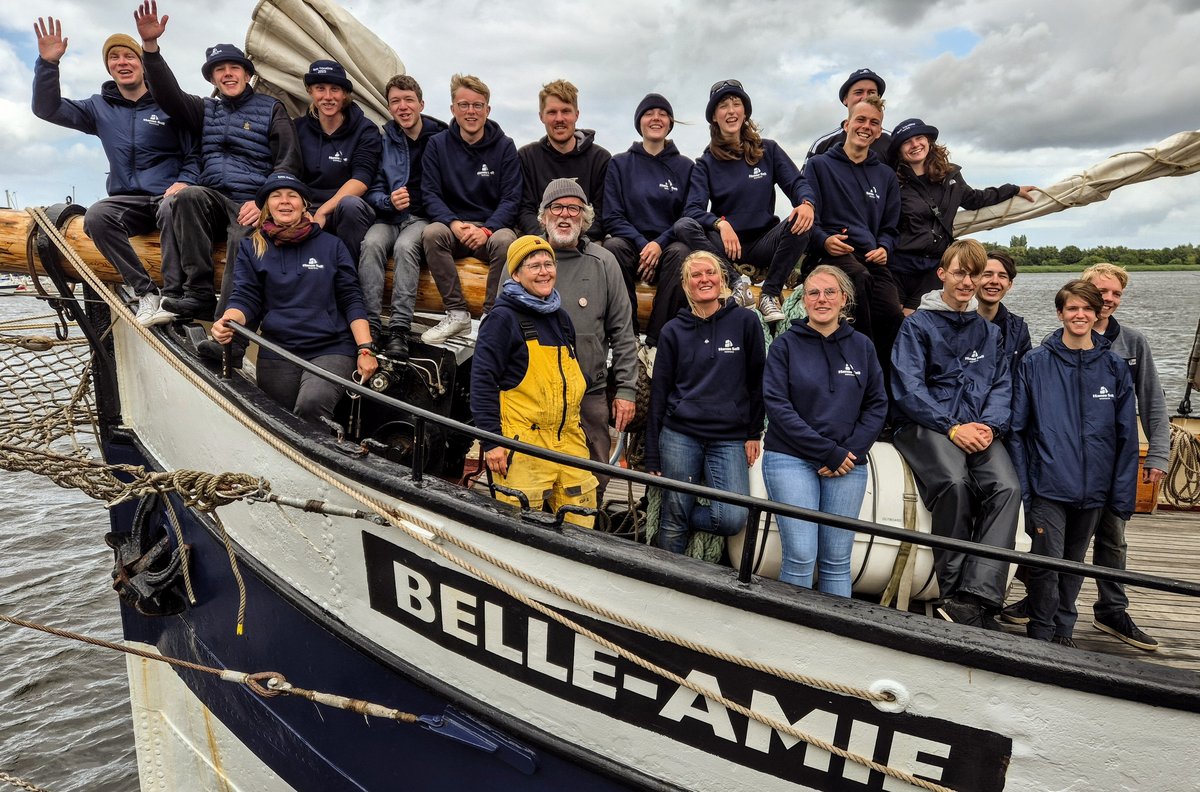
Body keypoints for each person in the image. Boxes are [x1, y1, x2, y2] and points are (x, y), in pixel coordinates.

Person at [134, 2, 300, 332]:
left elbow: (288, 160)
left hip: (251, 199)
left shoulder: (271, 109)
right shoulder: (205, 110)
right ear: (212, 77)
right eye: (219, 69)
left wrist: (265, 200)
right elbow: (168, 96)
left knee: (243, 239)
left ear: (247, 74)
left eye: (234, 67)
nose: (227, 73)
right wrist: (150, 49)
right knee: (188, 196)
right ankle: (198, 293)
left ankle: (226, 323)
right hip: (213, 196)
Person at [890, 238, 1021, 628]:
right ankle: (951, 588)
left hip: (978, 428)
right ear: (943, 274)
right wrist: (952, 427)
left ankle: (977, 597)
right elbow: (908, 388)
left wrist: (989, 427)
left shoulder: (989, 333)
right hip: (925, 424)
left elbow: (1001, 385)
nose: (967, 282)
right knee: (954, 482)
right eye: (960, 273)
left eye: (974, 275)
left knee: (1008, 487)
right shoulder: (917, 325)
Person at [32, 17, 191, 326]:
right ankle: (146, 294)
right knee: (97, 216)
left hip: (167, 195)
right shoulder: (98, 107)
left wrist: (186, 180)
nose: (122, 62)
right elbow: (46, 109)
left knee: (177, 206)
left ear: (143, 64)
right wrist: (48, 65)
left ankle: (174, 296)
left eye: (129, 55)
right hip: (127, 201)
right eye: (114, 58)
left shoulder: (168, 103)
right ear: (109, 68)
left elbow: (195, 150)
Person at [1009, 280, 1137, 647]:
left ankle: (1063, 632)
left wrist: (1121, 496)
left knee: (1075, 564)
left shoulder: (1113, 368)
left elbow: (1127, 436)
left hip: (1094, 489)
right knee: (1047, 564)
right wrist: (1025, 490)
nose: (1079, 315)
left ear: (1097, 314)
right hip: (1048, 484)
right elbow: (1018, 430)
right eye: (1072, 309)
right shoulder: (1035, 363)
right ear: (1060, 314)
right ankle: (1041, 633)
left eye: (1086, 309)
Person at [210, 173, 376, 424]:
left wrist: (365, 348)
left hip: (331, 347)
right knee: (278, 421)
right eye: (276, 196)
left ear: (304, 205)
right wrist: (227, 321)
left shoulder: (332, 245)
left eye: (292, 196)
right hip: (278, 350)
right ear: (267, 205)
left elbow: (351, 298)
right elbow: (246, 296)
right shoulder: (252, 247)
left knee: (311, 405)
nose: (284, 201)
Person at [762, 265, 888, 595]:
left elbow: (877, 404)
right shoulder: (784, 346)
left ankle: (833, 637)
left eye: (830, 292)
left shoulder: (862, 346)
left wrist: (851, 452)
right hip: (790, 458)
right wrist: (827, 451)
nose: (822, 299)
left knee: (835, 560)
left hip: (847, 460)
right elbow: (777, 407)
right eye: (813, 293)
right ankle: (791, 634)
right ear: (803, 301)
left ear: (844, 299)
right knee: (802, 556)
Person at [515, 179, 638, 498]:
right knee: (531, 484)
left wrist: (626, 388)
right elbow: (501, 323)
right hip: (532, 399)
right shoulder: (524, 257)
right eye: (557, 207)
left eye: (574, 208)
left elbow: (623, 331)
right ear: (543, 216)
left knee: (591, 486)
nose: (565, 215)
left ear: (585, 218)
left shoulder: (603, 262)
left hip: (589, 395)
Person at [471, 235, 597, 528]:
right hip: (522, 444)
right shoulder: (501, 319)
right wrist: (492, 442)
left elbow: (569, 371)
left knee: (583, 526)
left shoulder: (561, 318)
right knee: (519, 528)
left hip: (569, 441)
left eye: (548, 264)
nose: (544, 271)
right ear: (516, 274)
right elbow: (482, 381)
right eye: (534, 266)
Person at [644, 251, 765, 554]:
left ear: (722, 279)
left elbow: (757, 382)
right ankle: (665, 581)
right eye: (695, 275)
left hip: (728, 437)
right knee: (674, 516)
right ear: (686, 285)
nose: (704, 279)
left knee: (732, 517)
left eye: (710, 273)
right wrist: (651, 454)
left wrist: (753, 432)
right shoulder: (673, 330)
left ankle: (679, 516)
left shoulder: (746, 322)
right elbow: (659, 393)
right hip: (680, 434)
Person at [674, 79, 815, 323]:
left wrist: (806, 203)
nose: (731, 111)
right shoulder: (705, 163)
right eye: (723, 106)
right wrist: (720, 223)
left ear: (745, 112)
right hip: (726, 248)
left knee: (801, 220)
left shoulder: (768, 150)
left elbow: (797, 184)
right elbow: (693, 210)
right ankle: (738, 284)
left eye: (736, 104)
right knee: (683, 226)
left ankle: (769, 294)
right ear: (714, 117)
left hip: (763, 242)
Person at [1082, 262, 1169, 651]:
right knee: (1055, 534)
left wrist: (1159, 455)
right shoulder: (1063, 339)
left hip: (1117, 458)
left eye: (1117, 294)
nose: (1109, 300)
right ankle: (1038, 598)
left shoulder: (1133, 344)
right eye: (1103, 292)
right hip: (1071, 456)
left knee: (1113, 537)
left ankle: (1112, 610)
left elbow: (1153, 403)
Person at [888, 118, 1036, 313]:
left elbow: (975, 199)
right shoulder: (891, 180)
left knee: (916, 322)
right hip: (899, 266)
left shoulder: (951, 177)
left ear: (929, 141)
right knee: (892, 324)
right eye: (907, 142)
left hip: (934, 266)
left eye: (919, 138)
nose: (915, 145)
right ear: (899, 150)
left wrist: (1012, 190)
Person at [803, 95, 903, 372]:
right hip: (830, 254)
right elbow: (807, 218)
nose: (866, 127)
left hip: (871, 257)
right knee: (859, 279)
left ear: (879, 131)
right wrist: (824, 240)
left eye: (874, 123)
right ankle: (862, 370)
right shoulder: (819, 166)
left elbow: (891, 228)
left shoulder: (885, 176)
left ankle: (886, 386)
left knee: (892, 312)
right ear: (847, 124)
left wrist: (885, 247)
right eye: (861, 120)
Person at [420, 73, 520, 343]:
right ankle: (457, 314)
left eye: (477, 105)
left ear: (487, 110)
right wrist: (452, 223)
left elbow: (512, 198)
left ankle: (491, 317)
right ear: (453, 109)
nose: (471, 112)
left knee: (507, 241)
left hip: (489, 231)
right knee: (431, 233)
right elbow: (429, 193)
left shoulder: (505, 147)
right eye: (464, 105)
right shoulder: (437, 145)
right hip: (455, 228)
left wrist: (487, 229)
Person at [359, 75, 448, 363]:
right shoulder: (384, 140)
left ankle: (399, 328)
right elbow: (371, 188)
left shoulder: (441, 139)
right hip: (387, 216)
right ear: (389, 107)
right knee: (371, 243)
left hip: (421, 217)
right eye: (396, 101)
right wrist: (387, 200)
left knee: (405, 248)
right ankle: (370, 325)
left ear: (421, 104)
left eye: (409, 100)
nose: (403, 106)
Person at [601, 93, 693, 342]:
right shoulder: (619, 164)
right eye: (649, 113)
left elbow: (688, 216)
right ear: (639, 122)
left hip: (669, 244)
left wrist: (658, 245)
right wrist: (644, 246)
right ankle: (626, 337)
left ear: (670, 122)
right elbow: (612, 216)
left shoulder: (686, 167)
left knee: (682, 252)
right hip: (632, 245)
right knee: (612, 247)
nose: (656, 118)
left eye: (662, 114)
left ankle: (656, 341)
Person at [293, 59, 380, 264]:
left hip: (345, 212)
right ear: (310, 92)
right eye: (320, 89)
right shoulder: (297, 128)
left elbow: (361, 179)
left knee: (350, 205)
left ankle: (347, 278)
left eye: (335, 89)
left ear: (344, 95)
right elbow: (290, 174)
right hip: (307, 207)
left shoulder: (365, 130)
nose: (328, 97)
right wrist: (302, 210)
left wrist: (323, 211)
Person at [517, 80, 611, 242]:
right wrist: (546, 239)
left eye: (566, 111)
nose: (559, 118)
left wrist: (574, 240)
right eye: (552, 112)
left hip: (586, 241)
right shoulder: (527, 157)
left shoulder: (600, 159)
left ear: (577, 114)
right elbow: (524, 210)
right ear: (541, 117)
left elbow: (603, 213)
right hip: (540, 240)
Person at [804, 68, 891, 166]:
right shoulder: (822, 144)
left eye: (871, 93)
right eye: (858, 92)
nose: (865, 97)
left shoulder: (892, 142)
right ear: (845, 99)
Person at [977, 250, 1032, 370]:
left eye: (1002, 276)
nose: (995, 281)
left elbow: (1024, 378)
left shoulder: (1019, 330)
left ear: (1009, 284)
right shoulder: (957, 323)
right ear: (975, 279)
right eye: (987, 274)